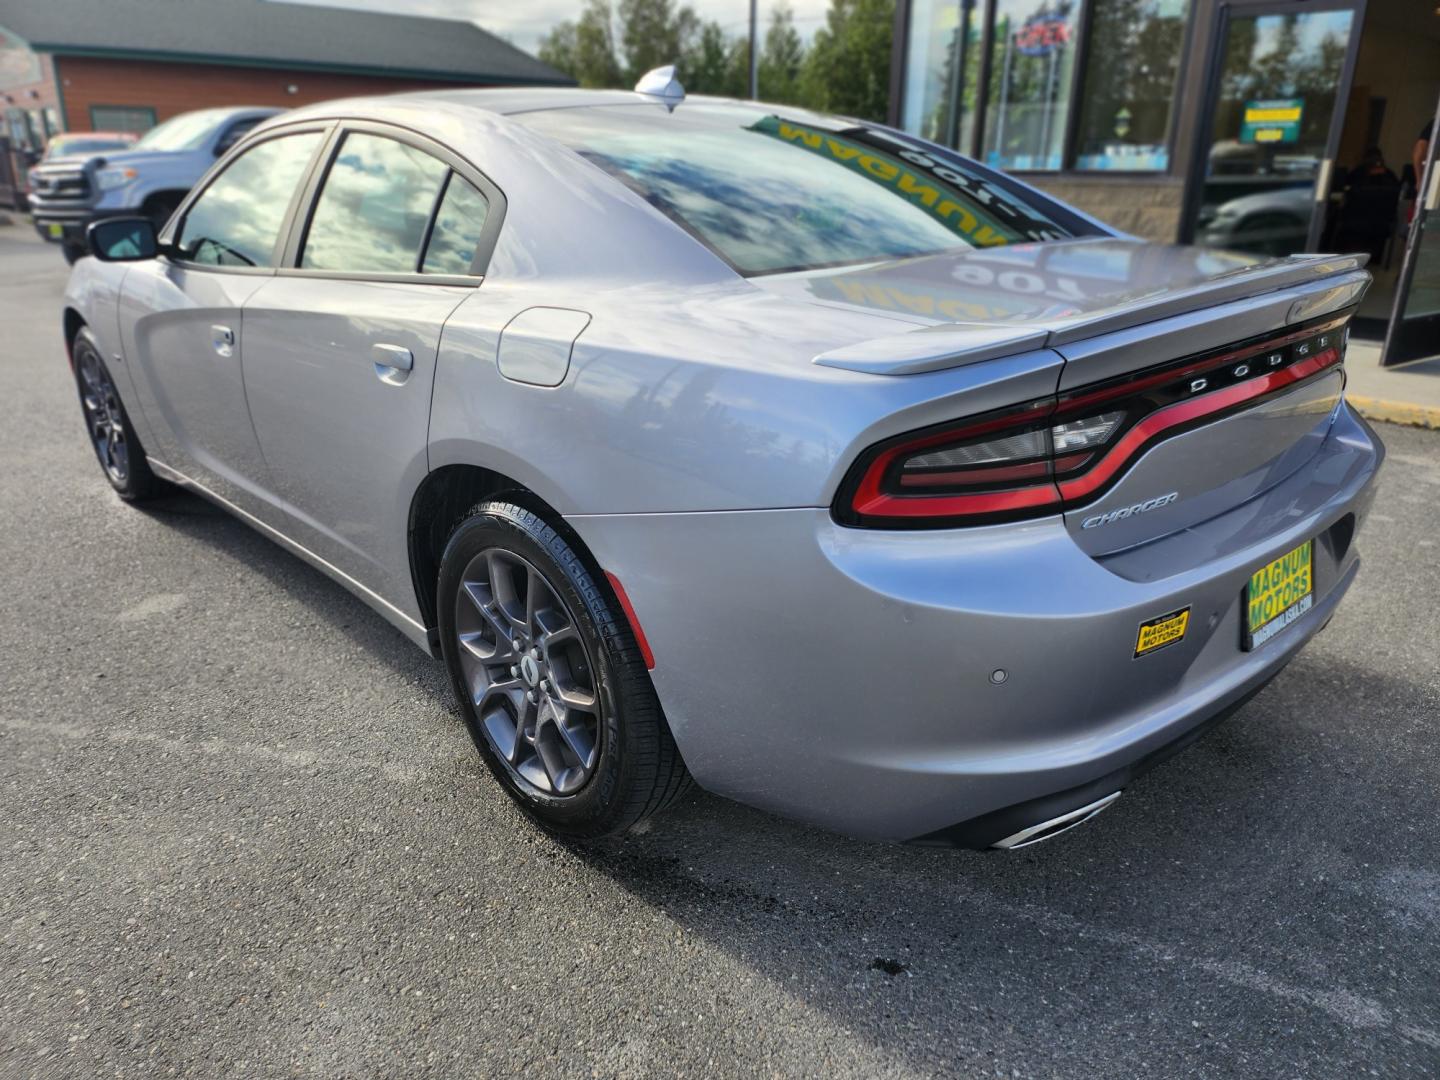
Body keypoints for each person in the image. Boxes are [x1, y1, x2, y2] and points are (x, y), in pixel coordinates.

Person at [1334, 147, 1400, 263]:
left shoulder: (1358, 173)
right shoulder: (1390, 175)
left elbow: (1346, 190)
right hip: (1380, 227)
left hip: (1354, 224)